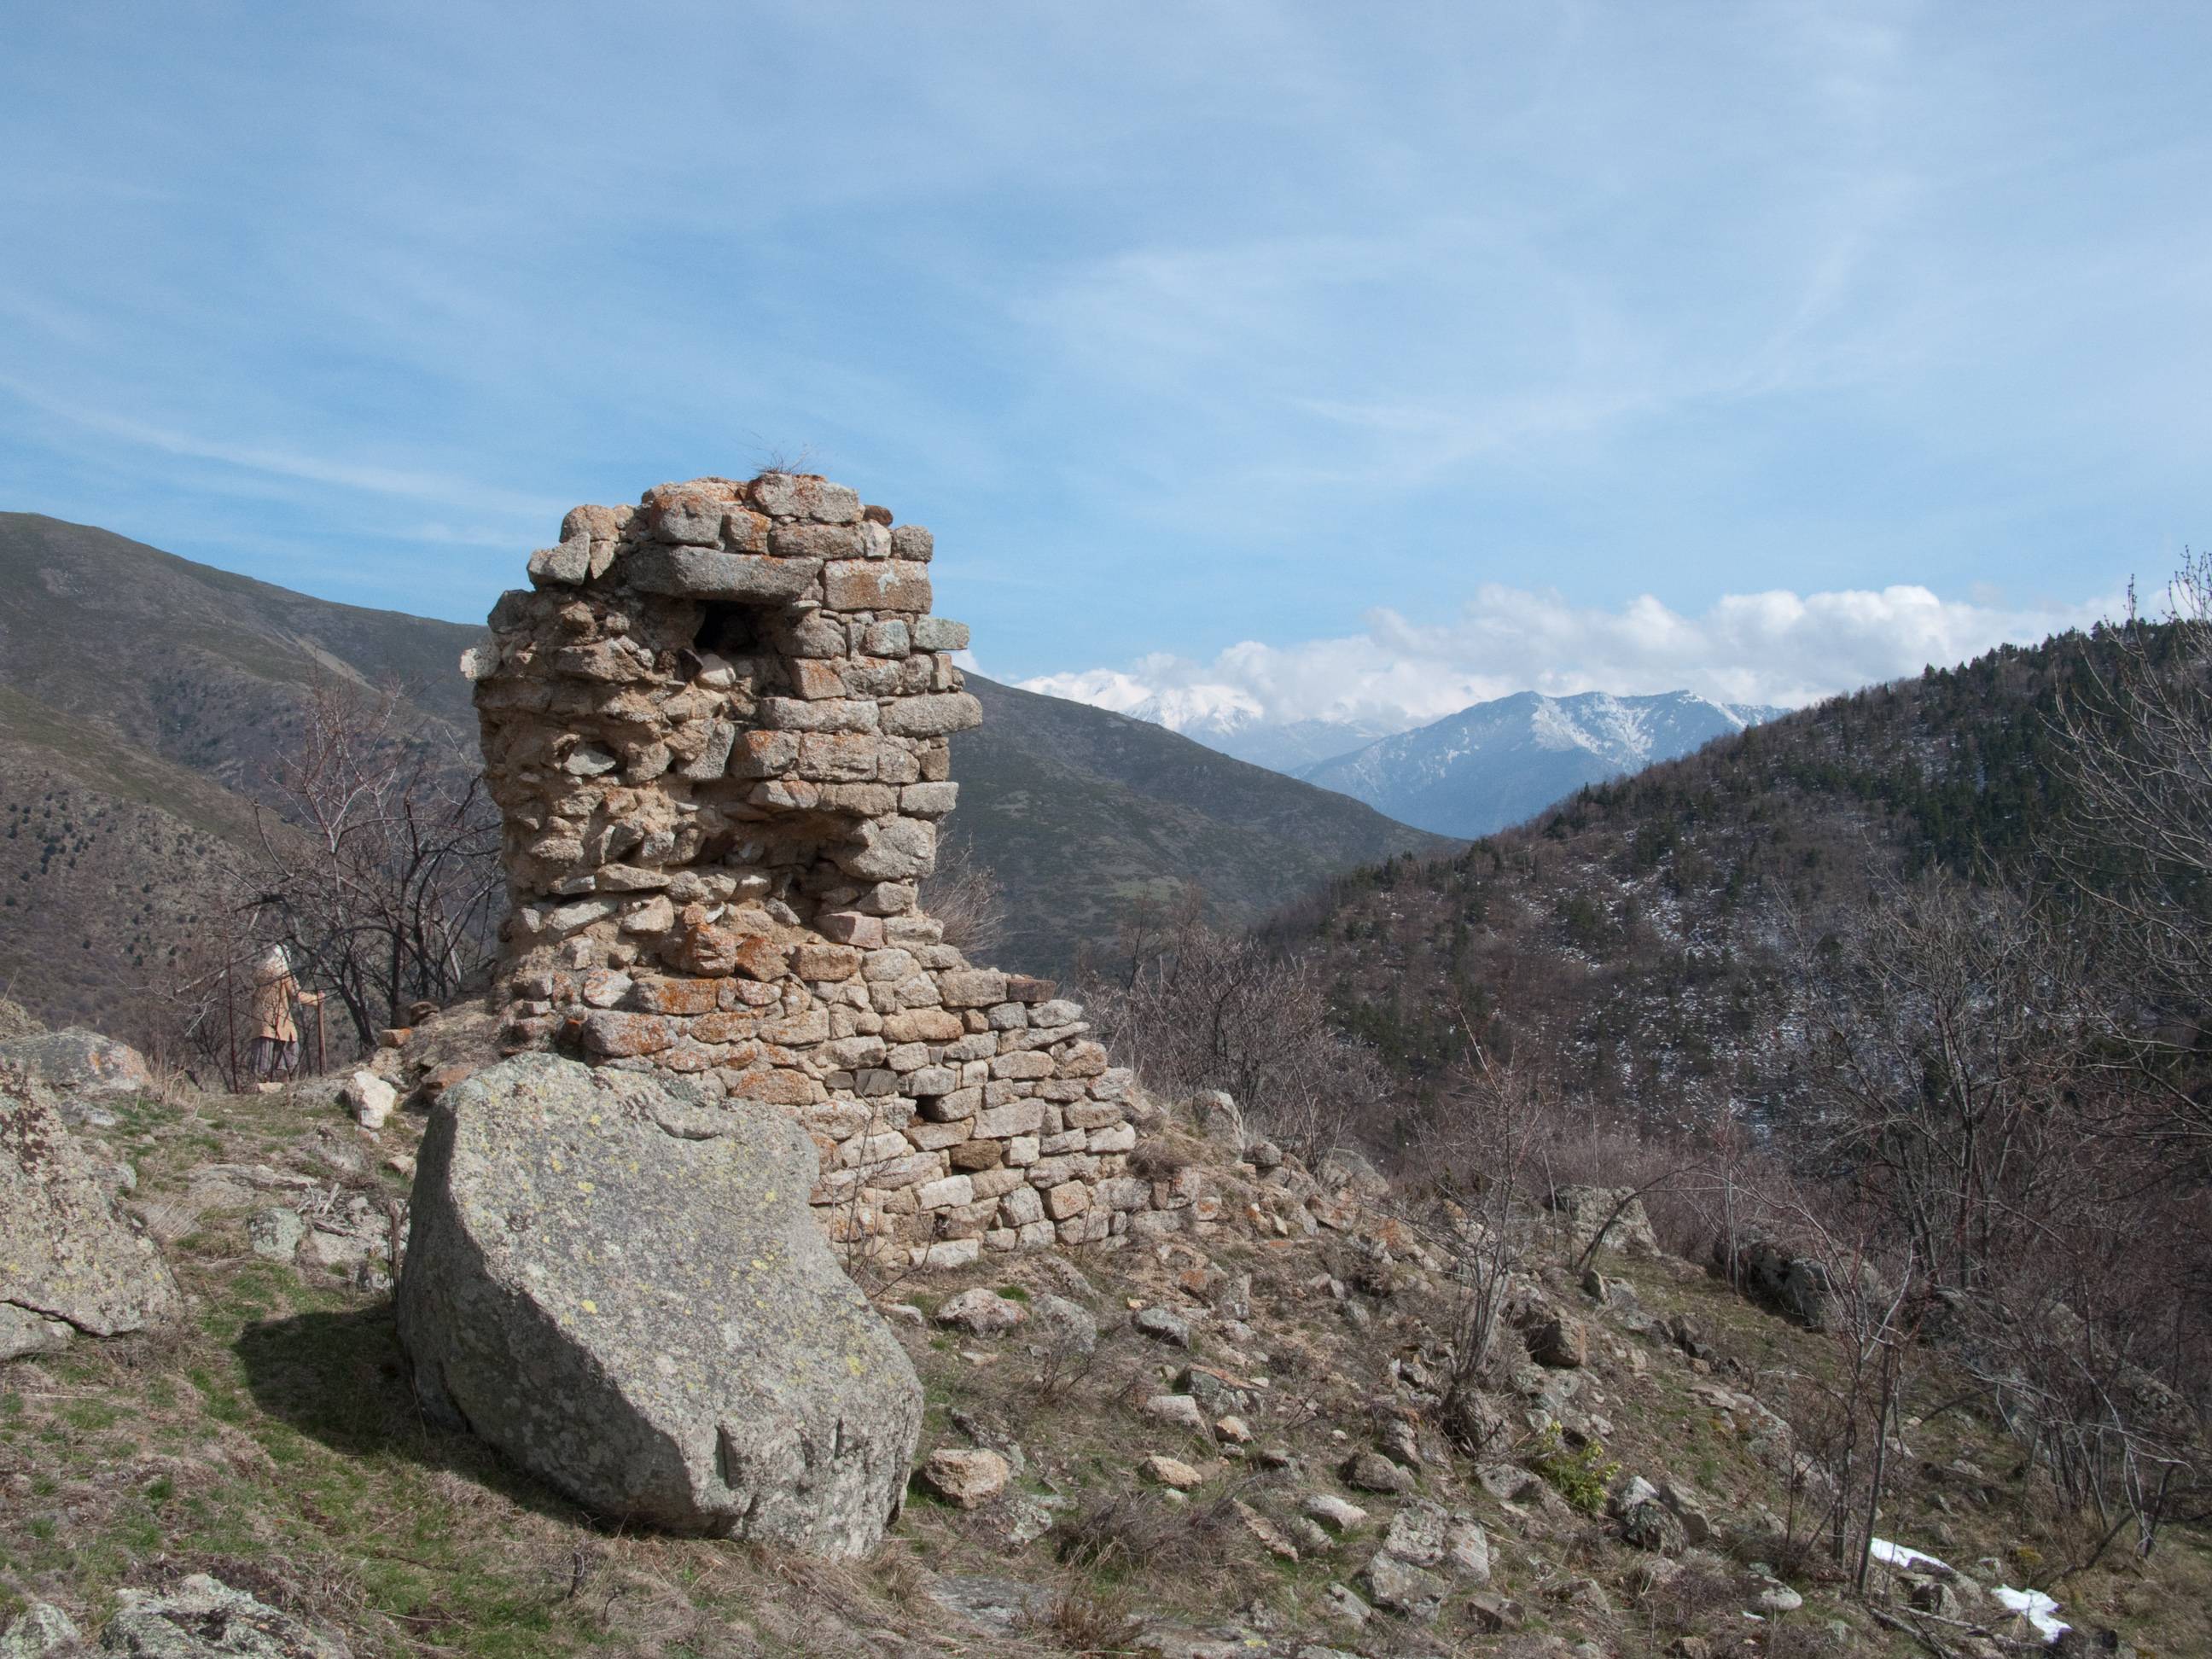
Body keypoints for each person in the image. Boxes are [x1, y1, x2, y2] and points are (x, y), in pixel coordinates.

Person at [248, 946, 323, 1080]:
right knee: (291, 1049)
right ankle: (284, 1083)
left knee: (261, 1065)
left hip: (259, 1023)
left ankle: (261, 1088)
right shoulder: (283, 972)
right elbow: (297, 995)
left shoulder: (259, 973)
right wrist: (316, 999)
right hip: (279, 1020)